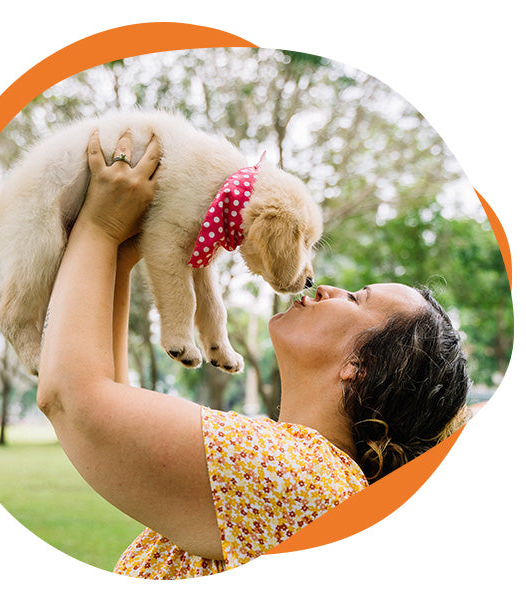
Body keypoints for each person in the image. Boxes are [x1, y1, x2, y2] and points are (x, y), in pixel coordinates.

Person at [36, 130, 470, 579]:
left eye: (356, 298)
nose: (325, 287)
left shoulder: (306, 481)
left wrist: (99, 227)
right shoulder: (294, 470)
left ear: (361, 368)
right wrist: (124, 254)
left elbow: (72, 398)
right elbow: (108, 405)